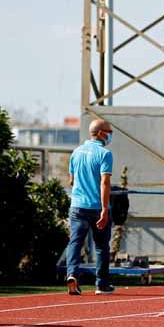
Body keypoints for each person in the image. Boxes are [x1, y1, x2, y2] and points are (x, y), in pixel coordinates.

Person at [64, 118, 115, 296]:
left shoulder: (76, 152)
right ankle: (101, 284)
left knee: (75, 243)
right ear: (101, 133)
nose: (110, 134)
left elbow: (71, 180)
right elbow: (105, 183)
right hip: (96, 206)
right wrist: (104, 209)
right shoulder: (104, 154)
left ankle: (71, 274)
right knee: (101, 246)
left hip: (77, 206)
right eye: (109, 131)